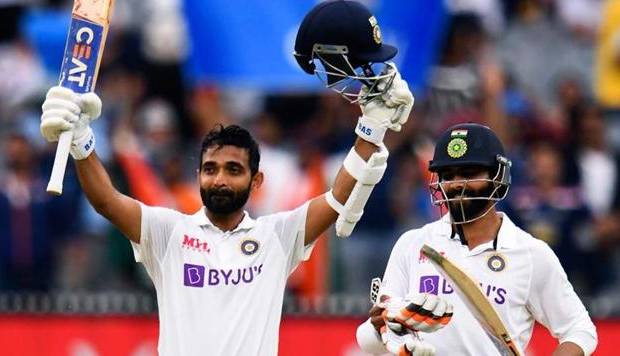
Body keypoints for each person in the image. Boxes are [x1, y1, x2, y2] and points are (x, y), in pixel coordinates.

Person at [39, 1, 415, 354]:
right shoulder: (169, 233)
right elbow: (106, 199)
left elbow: (337, 198)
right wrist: (82, 140)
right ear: (199, 174)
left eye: (234, 170)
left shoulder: (275, 238)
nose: (220, 179)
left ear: (256, 182)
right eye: (211, 169)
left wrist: (372, 127)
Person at [356, 123, 598, 355]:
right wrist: (381, 326)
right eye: (448, 175)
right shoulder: (413, 244)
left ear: (498, 176)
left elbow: (580, 329)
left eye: (470, 173)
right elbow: (368, 341)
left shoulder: (529, 253)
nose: (457, 184)